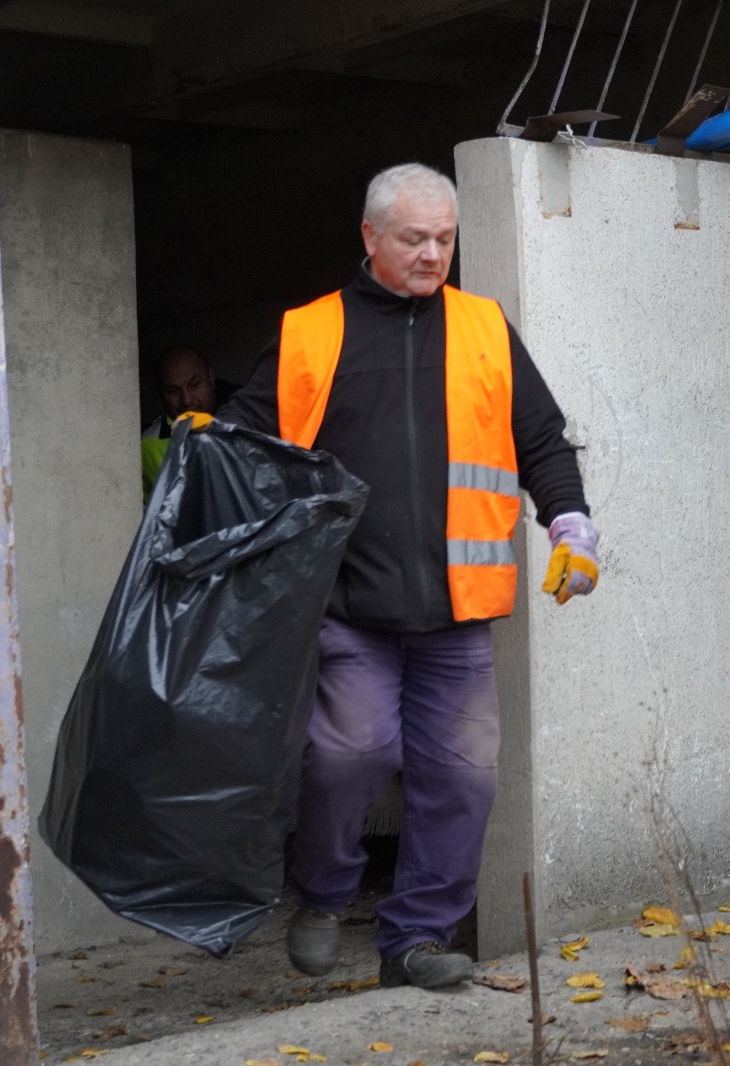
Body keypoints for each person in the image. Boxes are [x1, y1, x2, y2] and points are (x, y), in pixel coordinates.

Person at [213, 162, 600, 990]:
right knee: (349, 753)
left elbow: (540, 440)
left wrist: (571, 523)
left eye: (446, 239)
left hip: (457, 612)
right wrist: (198, 447)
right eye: (414, 238)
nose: (433, 255)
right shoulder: (312, 333)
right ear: (370, 238)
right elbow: (242, 443)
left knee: (461, 777)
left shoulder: (485, 328)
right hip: (348, 605)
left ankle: (416, 941)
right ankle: (322, 894)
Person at [141, 345, 233, 500]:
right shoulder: (150, 442)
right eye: (173, 391)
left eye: (194, 385)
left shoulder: (248, 421)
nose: (187, 399)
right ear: (160, 394)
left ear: (211, 378)